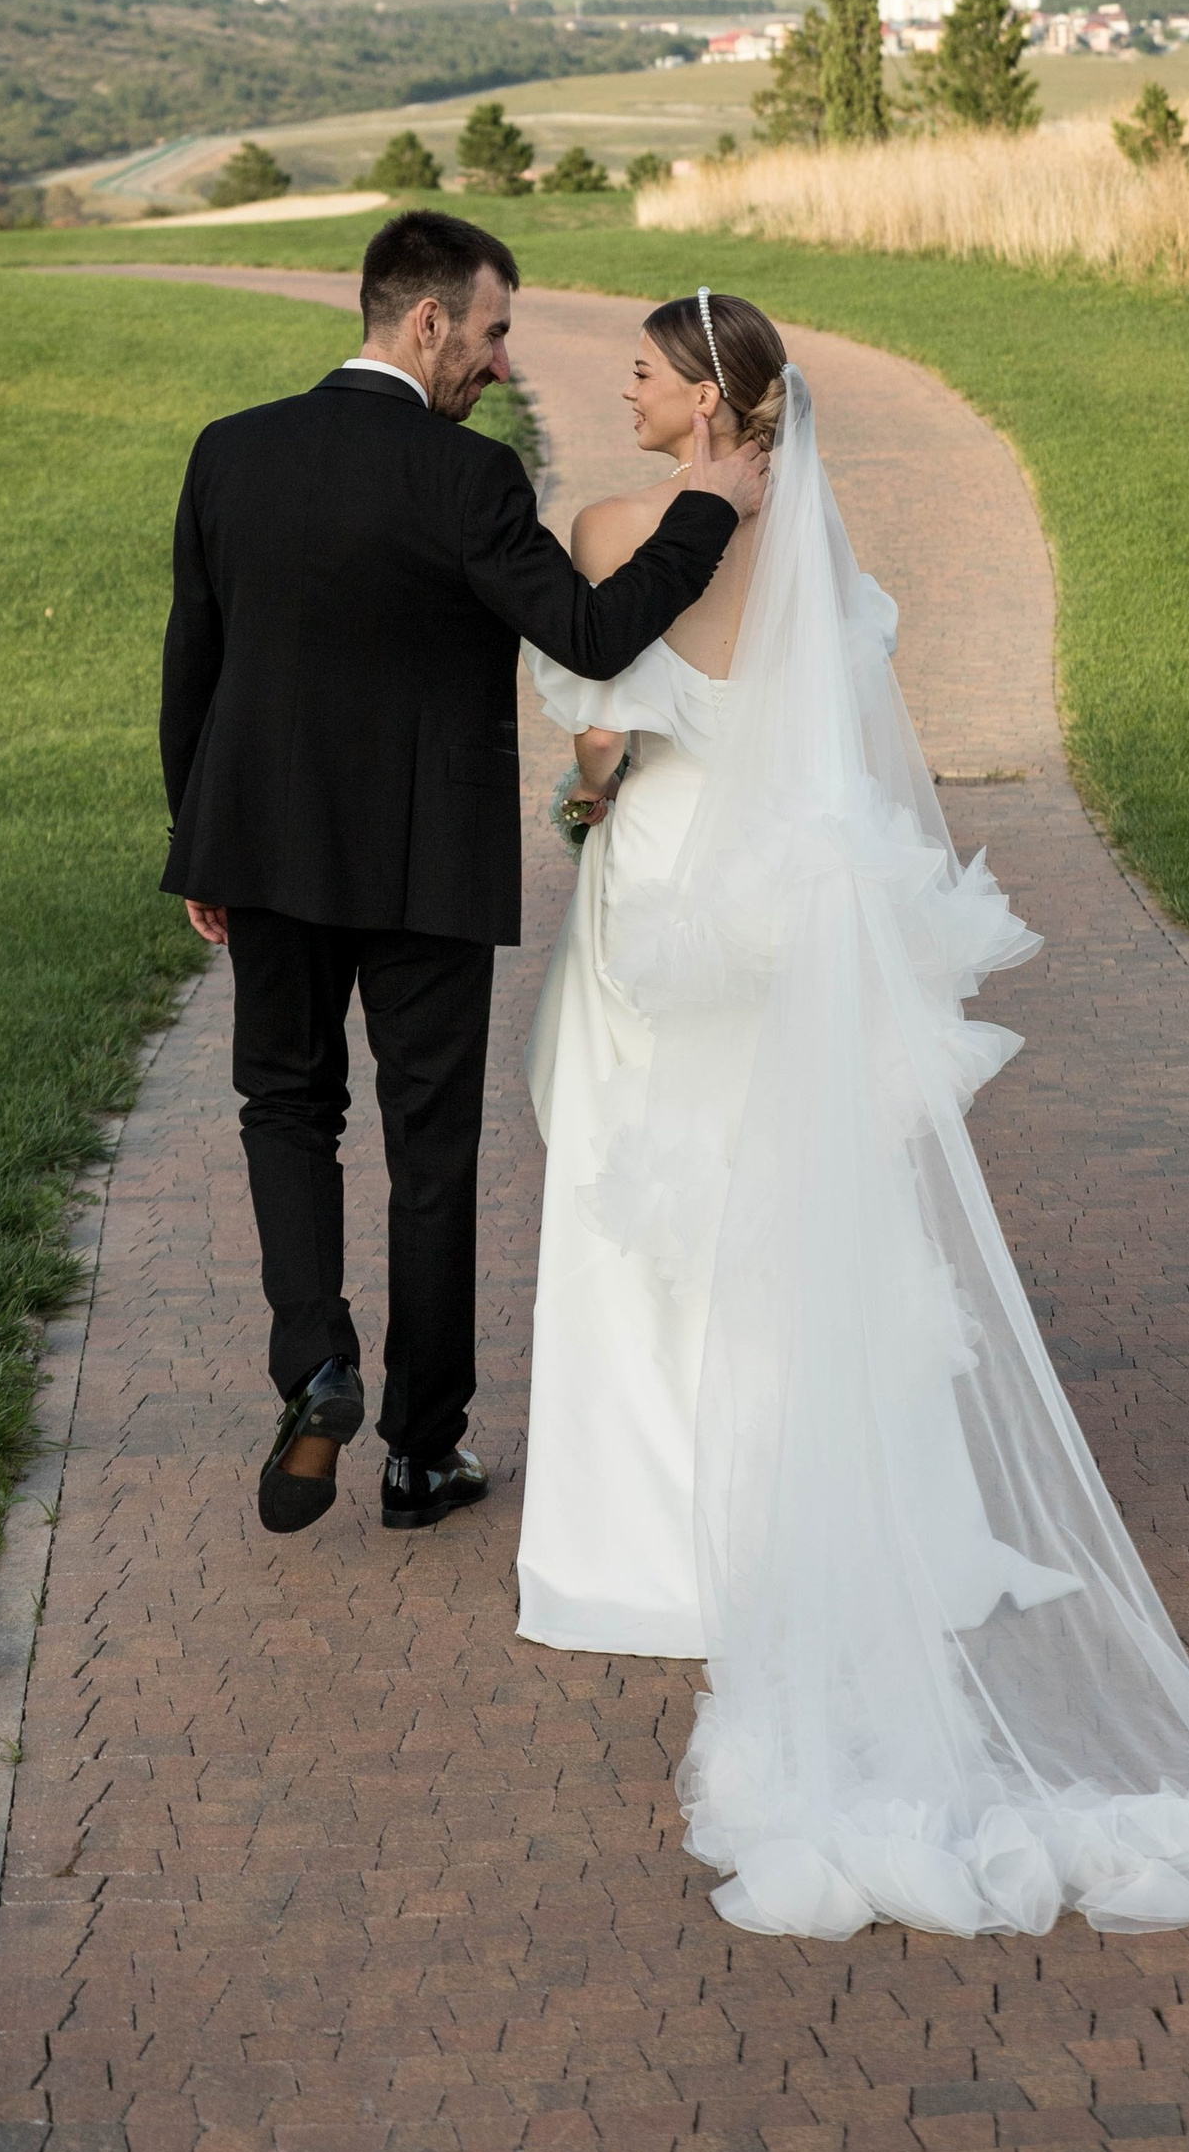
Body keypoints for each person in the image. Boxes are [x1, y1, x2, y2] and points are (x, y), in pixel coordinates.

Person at [520, 287, 1189, 1941]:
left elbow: (600, 735)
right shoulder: (818, 541)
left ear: (704, 401)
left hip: (667, 899)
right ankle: (837, 1518)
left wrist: (586, 799)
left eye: (639, 373)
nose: (619, 390)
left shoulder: (618, 528)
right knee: (785, 1200)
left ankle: (645, 1548)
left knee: (647, 1199)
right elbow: (843, 745)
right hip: (790, 909)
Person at [159, 209, 766, 1539]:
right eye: (493, 333)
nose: (500, 364)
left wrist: (195, 838)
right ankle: (421, 1455)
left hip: (262, 848)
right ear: (427, 319)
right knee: (430, 1149)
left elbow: (193, 660)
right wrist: (705, 515)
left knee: (284, 1106)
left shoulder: (230, 452)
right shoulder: (469, 478)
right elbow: (594, 635)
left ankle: (315, 1364)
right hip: (426, 863)